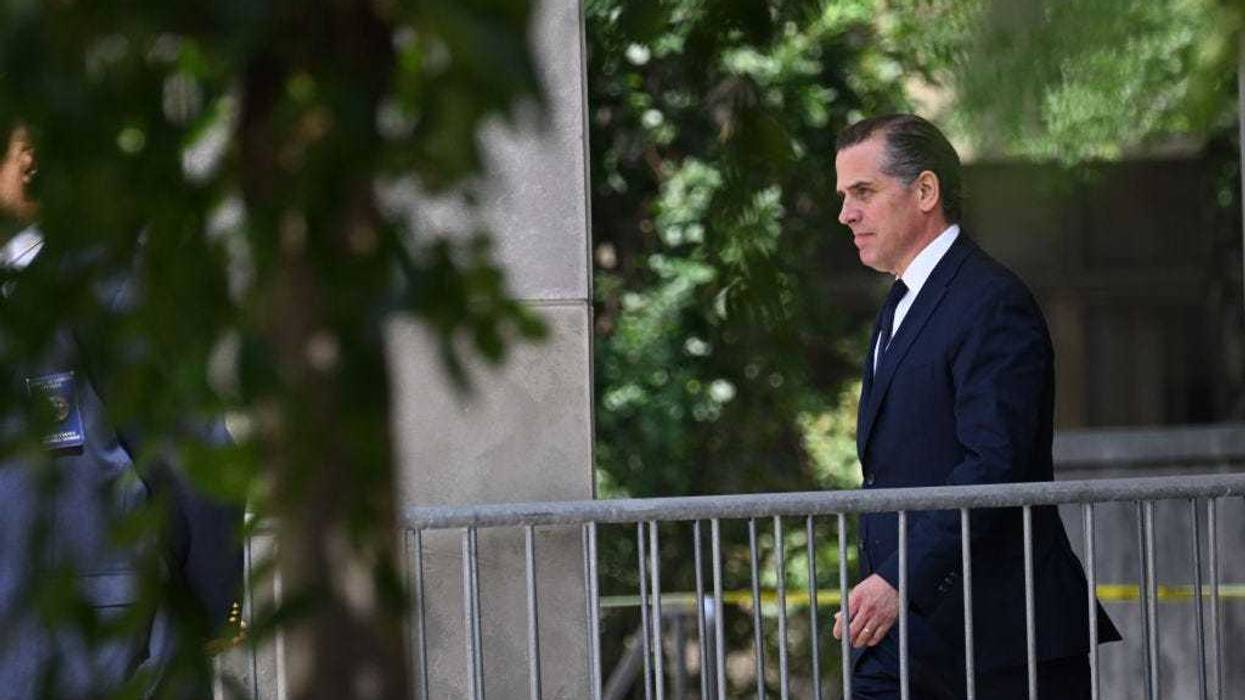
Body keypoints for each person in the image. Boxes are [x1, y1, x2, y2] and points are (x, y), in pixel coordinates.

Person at [829, 114, 1119, 698]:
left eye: (863, 193)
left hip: (1000, 641)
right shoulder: (901, 303)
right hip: (909, 638)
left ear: (926, 192)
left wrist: (900, 580)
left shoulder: (991, 302)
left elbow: (994, 465)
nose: (846, 214)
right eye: (843, 197)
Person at [0, 122, 243, 697]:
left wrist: (205, 615)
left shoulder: (108, 282)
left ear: (28, 158)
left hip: (116, 660)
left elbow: (197, 465)